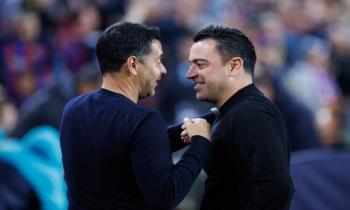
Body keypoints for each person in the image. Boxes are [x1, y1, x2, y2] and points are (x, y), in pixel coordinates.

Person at [59, 22, 211, 210]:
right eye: (157, 61)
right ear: (132, 64)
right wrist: (200, 145)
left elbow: (126, 145)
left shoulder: (73, 109)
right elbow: (166, 195)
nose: (163, 70)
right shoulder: (144, 120)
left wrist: (193, 127)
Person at [183, 25, 294, 210]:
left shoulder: (251, 114)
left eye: (200, 64)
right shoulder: (233, 111)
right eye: (190, 64)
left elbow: (278, 187)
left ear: (234, 66)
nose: (190, 74)